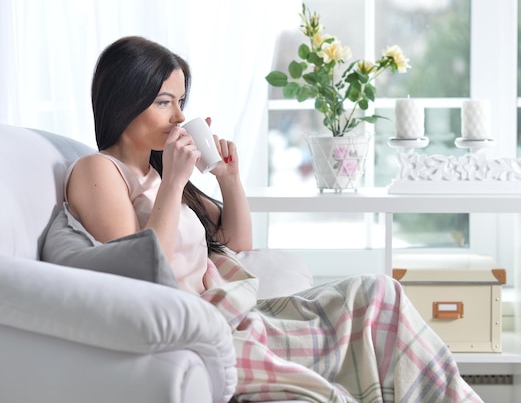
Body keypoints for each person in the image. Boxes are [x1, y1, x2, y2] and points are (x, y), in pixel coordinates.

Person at [65, 35, 483, 403]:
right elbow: (139, 272)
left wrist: (229, 178)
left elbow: (238, 243)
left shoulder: (159, 173)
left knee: (377, 293)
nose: (178, 117)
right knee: (373, 316)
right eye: (163, 102)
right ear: (124, 102)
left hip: (232, 310)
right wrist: (174, 182)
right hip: (205, 331)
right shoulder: (98, 170)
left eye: (180, 103)